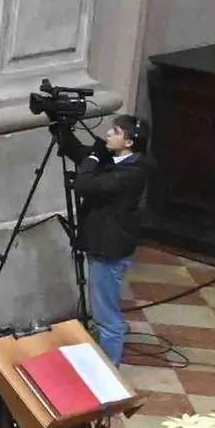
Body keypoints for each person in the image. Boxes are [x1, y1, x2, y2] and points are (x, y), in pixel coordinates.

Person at [57, 110, 149, 364]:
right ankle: (101, 361)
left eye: (116, 132)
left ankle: (109, 376)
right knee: (101, 311)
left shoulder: (132, 172)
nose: (108, 134)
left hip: (110, 249)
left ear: (129, 142)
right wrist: (62, 129)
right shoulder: (116, 160)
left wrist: (95, 156)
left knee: (107, 318)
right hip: (99, 242)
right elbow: (79, 154)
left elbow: (85, 184)